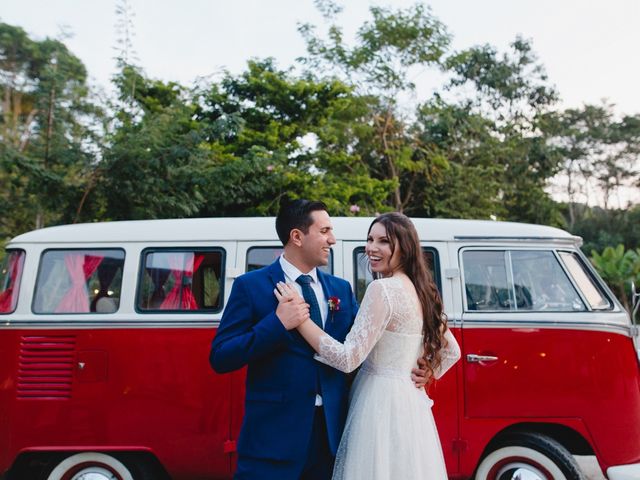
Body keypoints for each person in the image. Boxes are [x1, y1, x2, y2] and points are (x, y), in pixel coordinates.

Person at [209, 200, 428, 480]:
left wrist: (413, 363)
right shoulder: (250, 286)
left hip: (331, 441)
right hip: (272, 441)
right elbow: (221, 356)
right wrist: (277, 324)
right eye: (324, 231)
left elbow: (359, 350)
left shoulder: (340, 288)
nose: (332, 240)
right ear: (297, 237)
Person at [275, 212, 461, 480]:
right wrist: (429, 371)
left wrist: (301, 319)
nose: (372, 248)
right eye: (370, 239)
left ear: (405, 248)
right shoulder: (421, 289)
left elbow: (348, 358)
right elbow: (451, 351)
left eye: (384, 241)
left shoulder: (382, 290)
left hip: (377, 402)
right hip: (409, 402)